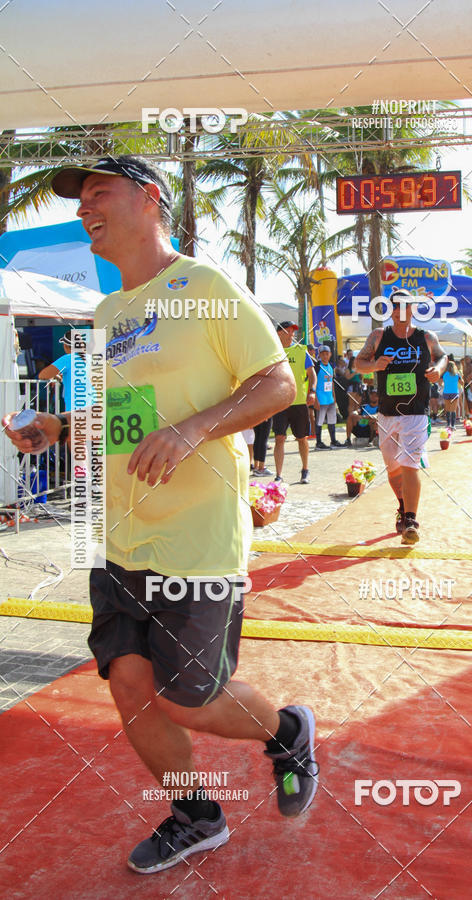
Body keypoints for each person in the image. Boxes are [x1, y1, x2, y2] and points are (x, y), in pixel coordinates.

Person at [3, 156, 319, 873]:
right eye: (81, 200)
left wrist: (192, 431)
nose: (86, 208)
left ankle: (287, 731)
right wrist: (60, 431)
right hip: (122, 538)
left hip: (196, 539)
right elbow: (125, 415)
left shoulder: (204, 287)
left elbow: (278, 382)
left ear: (149, 200)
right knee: (131, 689)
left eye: (98, 193)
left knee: (188, 699)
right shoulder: (109, 312)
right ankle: (195, 813)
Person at [354, 288, 447, 544]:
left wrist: (438, 370)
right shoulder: (378, 336)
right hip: (386, 413)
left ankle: (410, 520)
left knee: (409, 463)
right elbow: (357, 364)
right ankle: (403, 505)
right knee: (392, 467)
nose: (400, 310)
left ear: (412, 309)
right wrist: (374, 365)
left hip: (416, 412)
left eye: (405, 306)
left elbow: (443, 356)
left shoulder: (426, 336)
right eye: (395, 305)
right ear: (390, 309)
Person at [272, 321, 316, 484]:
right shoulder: (272, 352)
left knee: (302, 438)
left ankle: (305, 470)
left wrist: (312, 391)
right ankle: (279, 475)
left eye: (293, 332)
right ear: (279, 333)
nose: (291, 334)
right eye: (288, 331)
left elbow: (312, 374)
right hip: (280, 403)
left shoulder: (301, 351)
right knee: (279, 438)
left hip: (299, 402)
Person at [38, 328, 97, 411]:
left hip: (75, 411)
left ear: (65, 345)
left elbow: (43, 375)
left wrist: (56, 376)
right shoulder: (91, 359)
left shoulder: (67, 359)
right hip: (94, 409)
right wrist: (61, 377)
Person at [314, 345, 342, 449]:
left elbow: (332, 383)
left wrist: (334, 398)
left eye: (327, 354)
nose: (325, 356)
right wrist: (315, 399)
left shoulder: (330, 366)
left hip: (329, 398)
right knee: (320, 420)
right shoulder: (317, 366)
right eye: (323, 354)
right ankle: (318, 442)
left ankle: (333, 441)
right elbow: (312, 382)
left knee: (332, 420)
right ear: (320, 355)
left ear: (330, 354)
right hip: (320, 398)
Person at [442, 354, 463, 430]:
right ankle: (453, 425)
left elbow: (440, 382)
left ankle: (448, 424)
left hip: (446, 392)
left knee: (447, 409)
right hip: (454, 392)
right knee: (453, 410)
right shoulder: (457, 374)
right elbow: (462, 383)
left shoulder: (444, 374)